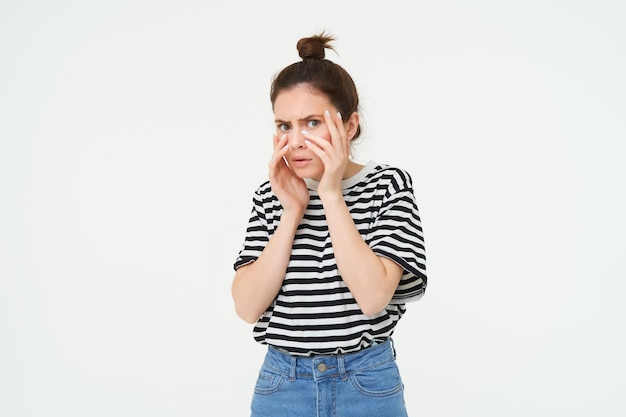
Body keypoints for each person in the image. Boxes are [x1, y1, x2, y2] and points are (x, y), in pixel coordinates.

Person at [231, 32, 427, 417]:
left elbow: (372, 298)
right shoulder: (273, 193)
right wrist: (291, 212)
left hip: (365, 383)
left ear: (349, 126)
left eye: (312, 122)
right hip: (281, 384)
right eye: (285, 126)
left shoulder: (388, 185)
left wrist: (332, 195)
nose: (297, 140)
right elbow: (247, 306)